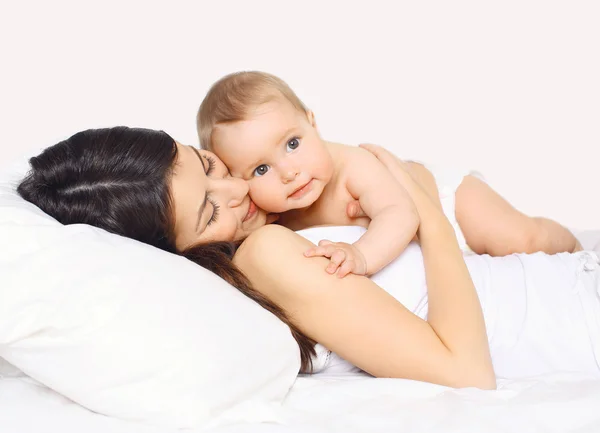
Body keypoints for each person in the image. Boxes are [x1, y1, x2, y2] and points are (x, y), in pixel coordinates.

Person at [17, 126, 600, 390]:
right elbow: (466, 374)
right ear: (174, 254)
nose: (241, 191)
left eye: (210, 165)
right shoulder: (266, 255)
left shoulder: (268, 237)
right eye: (209, 213)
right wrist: (428, 213)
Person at [197, 71, 582, 278]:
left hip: (449, 204)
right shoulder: (273, 215)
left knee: (520, 238)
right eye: (261, 169)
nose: (288, 172)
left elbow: (402, 214)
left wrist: (360, 255)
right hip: (436, 258)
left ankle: (579, 250)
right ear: (239, 179)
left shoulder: (352, 165)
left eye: (293, 143)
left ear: (312, 123)